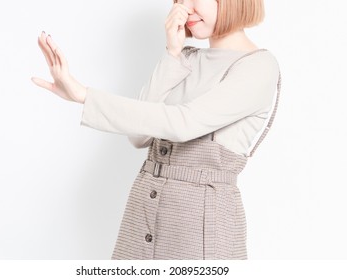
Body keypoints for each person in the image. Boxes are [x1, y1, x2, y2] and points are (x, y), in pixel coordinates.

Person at [31, 0, 281, 260]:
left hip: (201, 228)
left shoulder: (259, 66)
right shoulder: (185, 59)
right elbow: (139, 136)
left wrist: (85, 96)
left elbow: (184, 123)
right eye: (180, 0)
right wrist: (172, 53)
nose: (185, 8)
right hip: (142, 212)